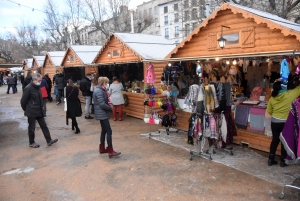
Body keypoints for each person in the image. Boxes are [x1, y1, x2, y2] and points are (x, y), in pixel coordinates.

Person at [266, 80, 300, 167]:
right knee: (284, 141)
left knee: (275, 140)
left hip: (274, 122)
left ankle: (271, 159)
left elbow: (269, 111)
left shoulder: (272, 98)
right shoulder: (290, 95)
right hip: (286, 123)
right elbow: (298, 89)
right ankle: (283, 161)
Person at [20, 73, 58, 148]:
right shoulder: (28, 88)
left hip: (39, 111)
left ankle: (49, 140)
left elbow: (40, 99)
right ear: (34, 80)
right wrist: (27, 109)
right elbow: (23, 101)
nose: (40, 82)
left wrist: (42, 109)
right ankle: (32, 142)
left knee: (44, 126)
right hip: (31, 112)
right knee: (31, 128)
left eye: (40, 80)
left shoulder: (38, 87)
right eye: (39, 80)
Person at [93, 77, 121, 158]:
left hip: (101, 113)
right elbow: (101, 104)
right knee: (109, 130)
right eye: (106, 83)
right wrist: (110, 108)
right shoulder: (99, 90)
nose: (107, 84)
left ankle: (102, 148)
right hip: (101, 113)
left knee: (104, 130)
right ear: (103, 83)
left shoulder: (101, 90)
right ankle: (110, 150)